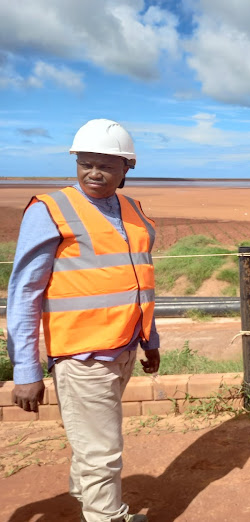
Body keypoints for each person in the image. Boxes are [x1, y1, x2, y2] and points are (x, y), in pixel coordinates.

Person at [7, 119, 160, 522]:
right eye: (86, 163)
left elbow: (140, 276)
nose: (94, 172)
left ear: (127, 168)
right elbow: (24, 293)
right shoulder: (50, 209)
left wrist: (150, 338)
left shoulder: (132, 209)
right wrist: (26, 368)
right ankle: (107, 516)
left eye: (106, 166)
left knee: (94, 444)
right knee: (103, 452)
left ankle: (87, 494)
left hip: (124, 348)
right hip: (82, 356)